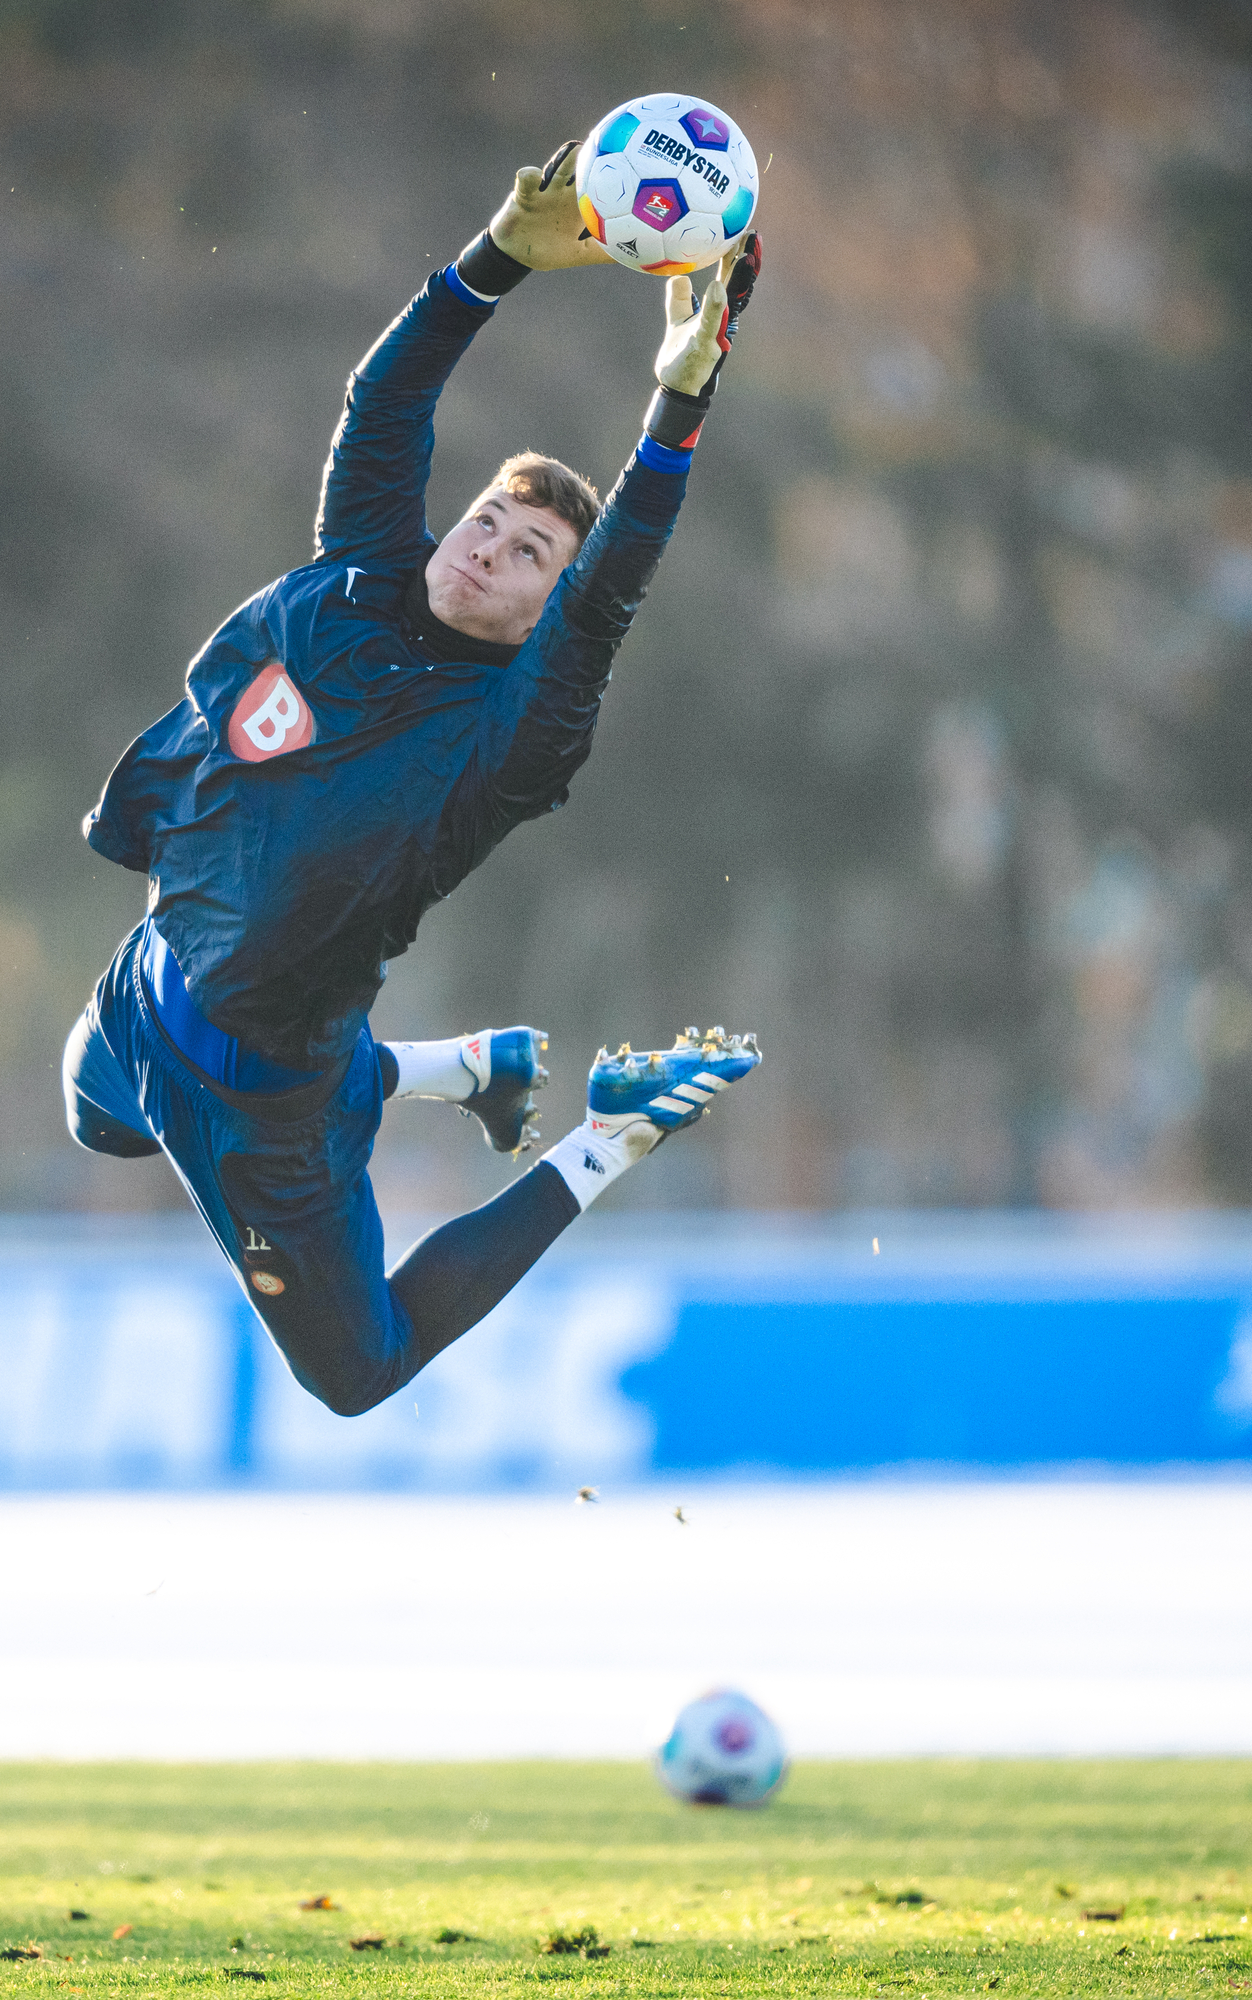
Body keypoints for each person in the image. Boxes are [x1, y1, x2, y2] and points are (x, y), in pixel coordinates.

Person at [63, 142, 765, 1417]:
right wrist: (494, 258)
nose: (487, 546)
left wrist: (677, 406)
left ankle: (607, 1132)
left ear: (548, 606)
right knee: (94, 1121)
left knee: (360, 1370)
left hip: (260, 1103)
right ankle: (465, 1069)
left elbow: (609, 600)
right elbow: (383, 406)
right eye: (488, 520)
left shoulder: (508, 737)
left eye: (530, 552)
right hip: (142, 984)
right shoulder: (361, 573)